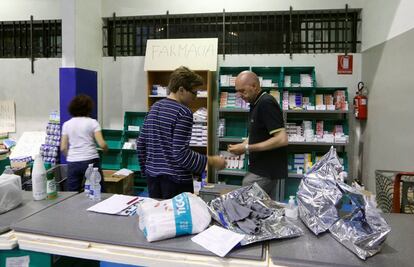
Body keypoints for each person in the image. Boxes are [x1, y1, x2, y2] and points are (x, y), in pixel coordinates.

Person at [137, 66, 226, 199]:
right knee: (178, 218)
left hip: (153, 179)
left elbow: (141, 144)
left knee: (159, 217)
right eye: (194, 92)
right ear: (181, 90)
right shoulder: (183, 112)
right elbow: (180, 154)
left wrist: (147, 172)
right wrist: (211, 161)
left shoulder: (154, 107)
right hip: (175, 181)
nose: (196, 97)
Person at [228, 71, 288, 200]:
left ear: (254, 86)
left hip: (265, 170)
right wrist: (243, 144)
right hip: (260, 168)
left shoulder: (266, 103)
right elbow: (260, 132)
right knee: (263, 210)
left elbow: (281, 139)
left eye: (242, 91)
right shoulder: (256, 103)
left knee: (247, 202)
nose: (239, 95)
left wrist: (247, 148)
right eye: (237, 91)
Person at [61, 94, 108, 192]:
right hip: (90, 160)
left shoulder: (67, 124)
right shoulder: (93, 123)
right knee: (97, 192)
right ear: (89, 108)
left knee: (72, 194)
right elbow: (102, 144)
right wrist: (106, 150)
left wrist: (70, 156)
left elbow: (63, 147)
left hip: (73, 162)